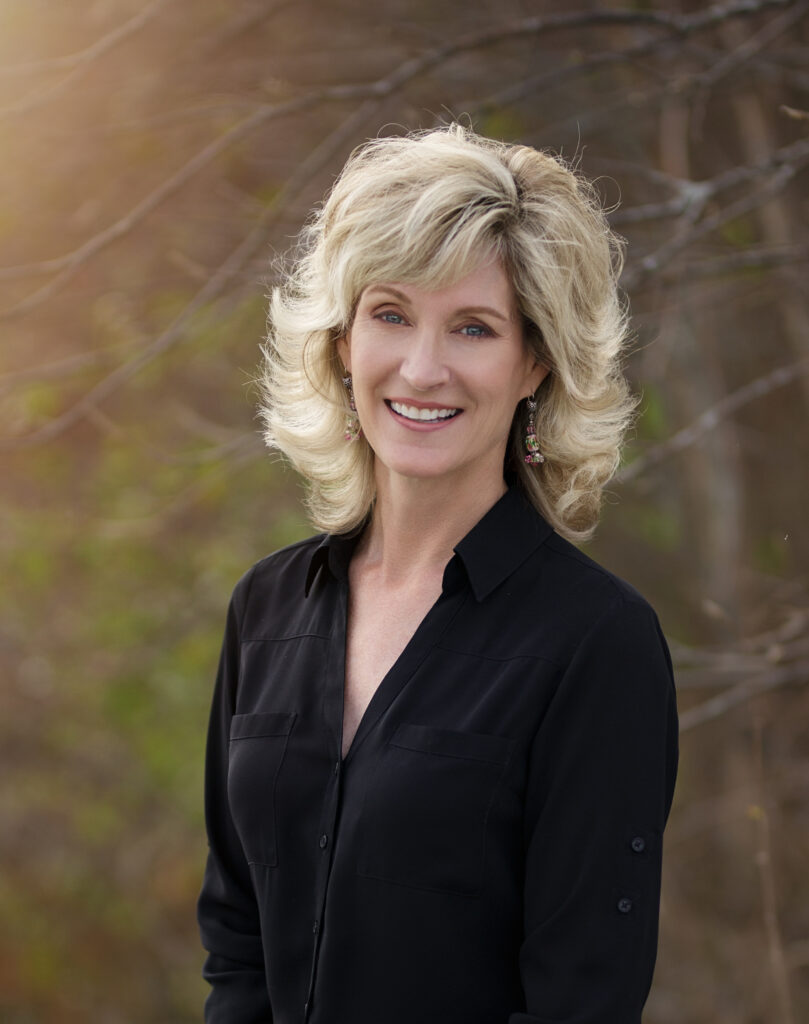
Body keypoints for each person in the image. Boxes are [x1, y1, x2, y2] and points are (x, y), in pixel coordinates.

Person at [197, 124, 679, 1024]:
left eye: (471, 327)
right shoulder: (264, 608)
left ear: (534, 361)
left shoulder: (595, 643)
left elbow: (582, 998)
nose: (422, 369)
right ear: (341, 343)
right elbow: (236, 942)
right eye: (389, 314)